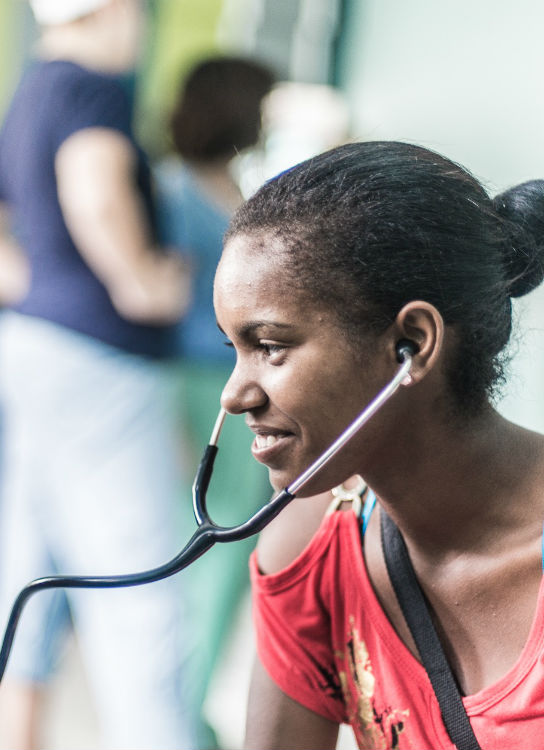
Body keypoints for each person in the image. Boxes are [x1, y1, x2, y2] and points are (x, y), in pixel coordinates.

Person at [210, 140, 544, 749]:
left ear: (412, 343)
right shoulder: (313, 545)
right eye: (234, 348)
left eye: (271, 345)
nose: (235, 396)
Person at [0, 1, 201, 748]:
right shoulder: (93, 86)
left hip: (31, 349)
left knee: (28, 571)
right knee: (143, 590)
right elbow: (92, 188)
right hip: (100, 365)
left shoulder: (35, 86)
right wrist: (139, 280)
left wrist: (47, 296)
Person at [152, 56, 275, 744]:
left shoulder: (236, 188)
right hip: (197, 391)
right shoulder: (172, 193)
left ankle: (188, 714)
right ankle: (176, 722)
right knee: (206, 547)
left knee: (233, 555)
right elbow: (159, 314)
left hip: (241, 387)